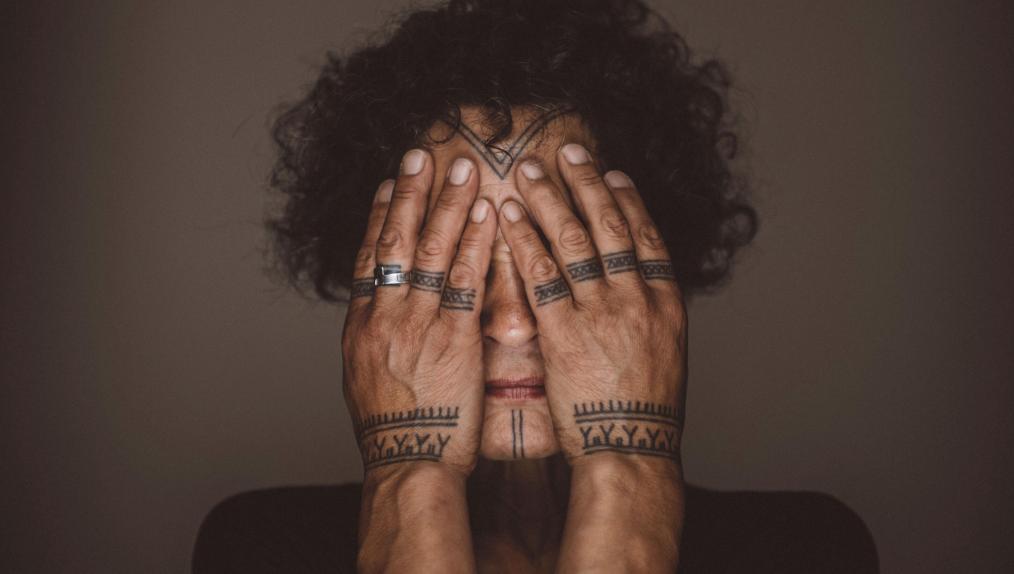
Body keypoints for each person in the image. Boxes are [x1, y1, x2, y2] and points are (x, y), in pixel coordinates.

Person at [193, 0, 878, 572]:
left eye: (557, 253)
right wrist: (409, 480)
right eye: (452, 262)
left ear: (648, 263)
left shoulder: (809, 551)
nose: (513, 322)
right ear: (378, 271)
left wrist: (630, 476)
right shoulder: (255, 549)